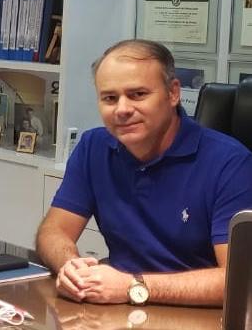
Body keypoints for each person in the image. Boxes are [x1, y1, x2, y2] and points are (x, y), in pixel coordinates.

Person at [36, 39, 252, 306]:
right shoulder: (94, 147)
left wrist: (133, 286)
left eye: (138, 94)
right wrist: (71, 266)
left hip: (198, 315)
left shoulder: (230, 163)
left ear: (173, 93)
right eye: (110, 98)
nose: (122, 109)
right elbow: (53, 231)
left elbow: (239, 281)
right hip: (117, 309)